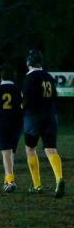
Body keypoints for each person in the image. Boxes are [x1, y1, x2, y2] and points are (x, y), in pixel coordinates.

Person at [22, 49, 64, 198]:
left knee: (30, 149)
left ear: (29, 62)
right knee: (51, 149)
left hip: (34, 116)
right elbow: (55, 97)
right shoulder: (48, 76)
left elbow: (26, 98)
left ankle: (37, 185)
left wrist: (22, 106)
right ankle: (59, 178)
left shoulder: (29, 77)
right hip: (51, 116)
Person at [0, 64, 23, 193]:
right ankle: (7, 180)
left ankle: (10, 179)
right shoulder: (18, 89)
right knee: (11, 152)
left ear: (1, 76)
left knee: (6, 152)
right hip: (16, 124)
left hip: (1, 124)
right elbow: (22, 107)